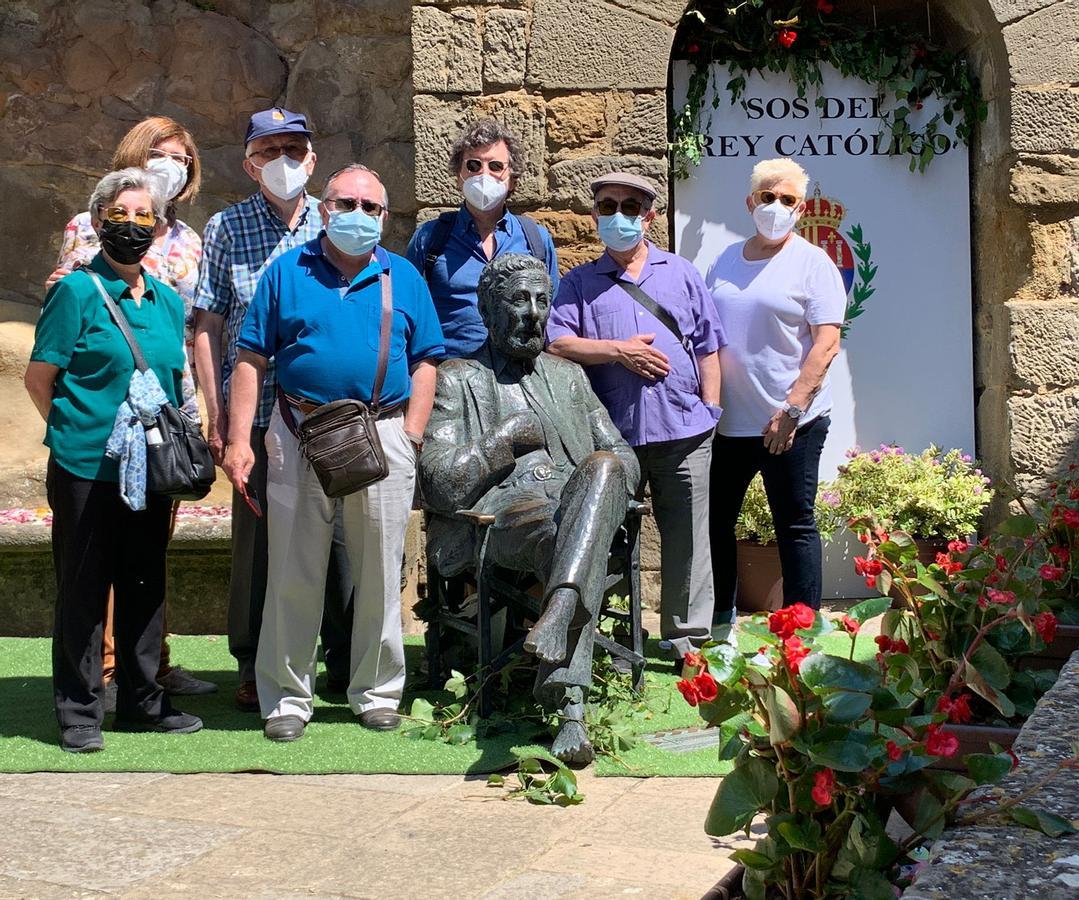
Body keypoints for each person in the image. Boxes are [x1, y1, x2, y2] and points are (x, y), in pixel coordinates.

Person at [222, 164, 444, 742]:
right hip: (299, 433)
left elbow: (426, 359)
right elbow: (251, 358)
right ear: (325, 209)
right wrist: (240, 440)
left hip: (381, 433)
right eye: (347, 203)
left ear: (384, 217)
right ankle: (286, 699)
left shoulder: (403, 276)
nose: (358, 215)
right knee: (292, 572)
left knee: (379, 573)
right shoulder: (286, 271)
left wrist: (412, 435)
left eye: (371, 207)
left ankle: (376, 692)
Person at [421, 254, 639, 766]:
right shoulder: (458, 378)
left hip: (576, 505)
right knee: (576, 537)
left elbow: (624, 457)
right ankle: (570, 703)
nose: (533, 313)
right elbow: (439, 482)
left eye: (542, 300)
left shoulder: (569, 377)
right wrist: (504, 438)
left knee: (603, 470)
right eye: (518, 300)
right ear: (487, 310)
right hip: (507, 514)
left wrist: (600, 486)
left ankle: (560, 623)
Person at [25, 168, 203, 752]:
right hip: (86, 468)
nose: (132, 225)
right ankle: (79, 711)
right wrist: (74, 431)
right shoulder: (75, 292)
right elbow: (40, 377)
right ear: (98, 221)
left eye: (143, 215)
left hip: (150, 469)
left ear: (158, 224)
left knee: (144, 584)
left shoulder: (168, 302)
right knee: (83, 589)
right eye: (119, 215)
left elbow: (175, 385)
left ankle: (143, 702)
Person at [192, 107, 355, 712]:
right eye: (269, 151)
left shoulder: (337, 219)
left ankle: (343, 658)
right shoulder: (227, 228)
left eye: (294, 149)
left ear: (312, 159)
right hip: (256, 413)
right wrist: (218, 414)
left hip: (328, 412)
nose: (283, 161)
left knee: (339, 537)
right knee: (260, 543)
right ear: (249, 164)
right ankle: (253, 661)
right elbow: (208, 323)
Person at [547, 172, 724, 666]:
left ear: (649, 217)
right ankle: (612, 635)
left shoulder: (681, 273)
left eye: (630, 207)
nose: (618, 215)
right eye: (608, 206)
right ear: (595, 214)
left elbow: (709, 345)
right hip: (612, 437)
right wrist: (617, 351)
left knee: (689, 538)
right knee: (606, 537)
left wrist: (711, 409)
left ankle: (687, 638)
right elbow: (557, 342)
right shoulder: (579, 283)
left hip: (685, 429)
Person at [705, 158, 846, 629]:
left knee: (794, 524)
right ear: (751, 202)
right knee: (716, 521)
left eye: (788, 200)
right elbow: (704, 334)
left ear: (801, 209)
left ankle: (801, 629)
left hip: (791, 424)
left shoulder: (813, 263)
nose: (776, 206)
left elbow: (826, 344)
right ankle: (720, 620)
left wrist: (793, 409)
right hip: (729, 422)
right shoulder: (724, 260)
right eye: (768, 197)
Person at [405, 119, 558, 358]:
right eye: (473, 165)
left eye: (495, 166)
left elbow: (550, 308)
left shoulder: (536, 239)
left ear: (512, 179)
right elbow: (408, 310)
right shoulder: (429, 238)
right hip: (450, 369)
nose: (483, 174)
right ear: (459, 177)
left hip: (518, 370)